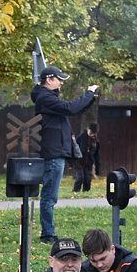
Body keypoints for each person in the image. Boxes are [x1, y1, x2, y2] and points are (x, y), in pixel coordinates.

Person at [31, 66, 98, 242]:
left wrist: (91, 99)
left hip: (56, 152)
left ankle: (48, 231)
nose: (61, 83)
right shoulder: (45, 98)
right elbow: (70, 108)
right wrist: (88, 94)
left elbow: (74, 109)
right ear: (49, 80)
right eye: (59, 79)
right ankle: (48, 234)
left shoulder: (48, 98)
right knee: (49, 196)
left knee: (50, 195)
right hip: (53, 153)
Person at [72, 123, 100, 193]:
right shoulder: (81, 137)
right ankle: (75, 191)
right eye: (91, 133)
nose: (91, 135)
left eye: (93, 134)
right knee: (80, 177)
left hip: (89, 163)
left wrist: (97, 168)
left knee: (87, 180)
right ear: (88, 129)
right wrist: (71, 162)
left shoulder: (95, 141)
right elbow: (74, 149)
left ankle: (86, 192)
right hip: (79, 161)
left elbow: (97, 155)